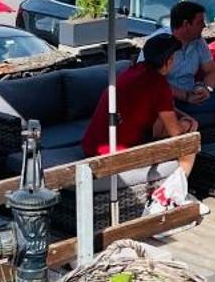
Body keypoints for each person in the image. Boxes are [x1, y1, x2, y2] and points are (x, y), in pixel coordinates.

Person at [81, 32, 198, 181]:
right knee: (188, 142)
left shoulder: (134, 70)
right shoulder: (158, 84)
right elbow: (175, 132)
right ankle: (177, 188)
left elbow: (164, 108)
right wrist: (187, 123)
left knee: (164, 125)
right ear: (168, 61)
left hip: (91, 146)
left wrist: (182, 116)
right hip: (112, 155)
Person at [155, 0, 215, 134]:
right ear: (186, 24)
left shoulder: (198, 41)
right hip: (169, 101)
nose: (204, 26)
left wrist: (206, 88)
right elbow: (154, 83)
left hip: (194, 95)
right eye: (199, 22)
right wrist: (184, 96)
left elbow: (212, 71)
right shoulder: (160, 43)